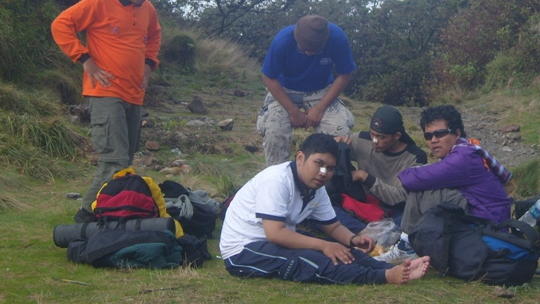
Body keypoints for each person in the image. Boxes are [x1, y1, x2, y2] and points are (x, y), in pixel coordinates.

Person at [219, 133, 431, 285]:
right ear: (300, 158)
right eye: (318, 164)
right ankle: (383, 277)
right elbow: (275, 234)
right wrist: (324, 245)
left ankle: (392, 269)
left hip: (273, 240)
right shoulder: (277, 181)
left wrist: (353, 240)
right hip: (243, 250)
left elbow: (333, 226)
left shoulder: (316, 187)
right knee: (311, 259)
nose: (323, 173)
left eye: (330, 168)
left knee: (342, 251)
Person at [51, 0, 162, 223]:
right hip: (105, 92)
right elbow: (61, 25)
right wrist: (84, 58)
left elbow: (154, 36)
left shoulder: (148, 10)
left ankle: (110, 212)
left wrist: (148, 65)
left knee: (124, 161)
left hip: (134, 94)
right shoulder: (99, 2)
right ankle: (86, 215)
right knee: (114, 161)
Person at [379, 105, 512, 263]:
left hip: (489, 226)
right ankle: (410, 243)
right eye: (428, 136)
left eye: (440, 133)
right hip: (484, 218)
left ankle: (407, 246)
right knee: (426, 181)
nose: (434, 140)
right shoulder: (464, 150)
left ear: (457, 133)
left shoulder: (463, 157)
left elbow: (409, 179)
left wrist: (411, 172)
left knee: (423, 187)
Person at [257, 15, 356, 166]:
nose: (309, 54)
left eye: (315, 51)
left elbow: (346, 74)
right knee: (274, 131)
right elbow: (268, 77)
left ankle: (335, 175)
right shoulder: (282, 40)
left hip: (321, 90)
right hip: (285, 89)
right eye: (304, 50)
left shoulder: (337, 37)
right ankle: (277, 172)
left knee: (340, 131)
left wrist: (320, 108)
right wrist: (292, 111)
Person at [331, 105, 428, 234]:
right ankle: (365, 231)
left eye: (381, 137)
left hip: (393, 209)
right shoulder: (361, 139)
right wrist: (335, 144)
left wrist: (365, 176)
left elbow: (401, 197)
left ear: (397, 135)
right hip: (362, 201)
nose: (375, 141)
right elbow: (330, 151)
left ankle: (360, 230)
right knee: (325, 205)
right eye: (372, 134)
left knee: (410, 222)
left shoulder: (415, 157)